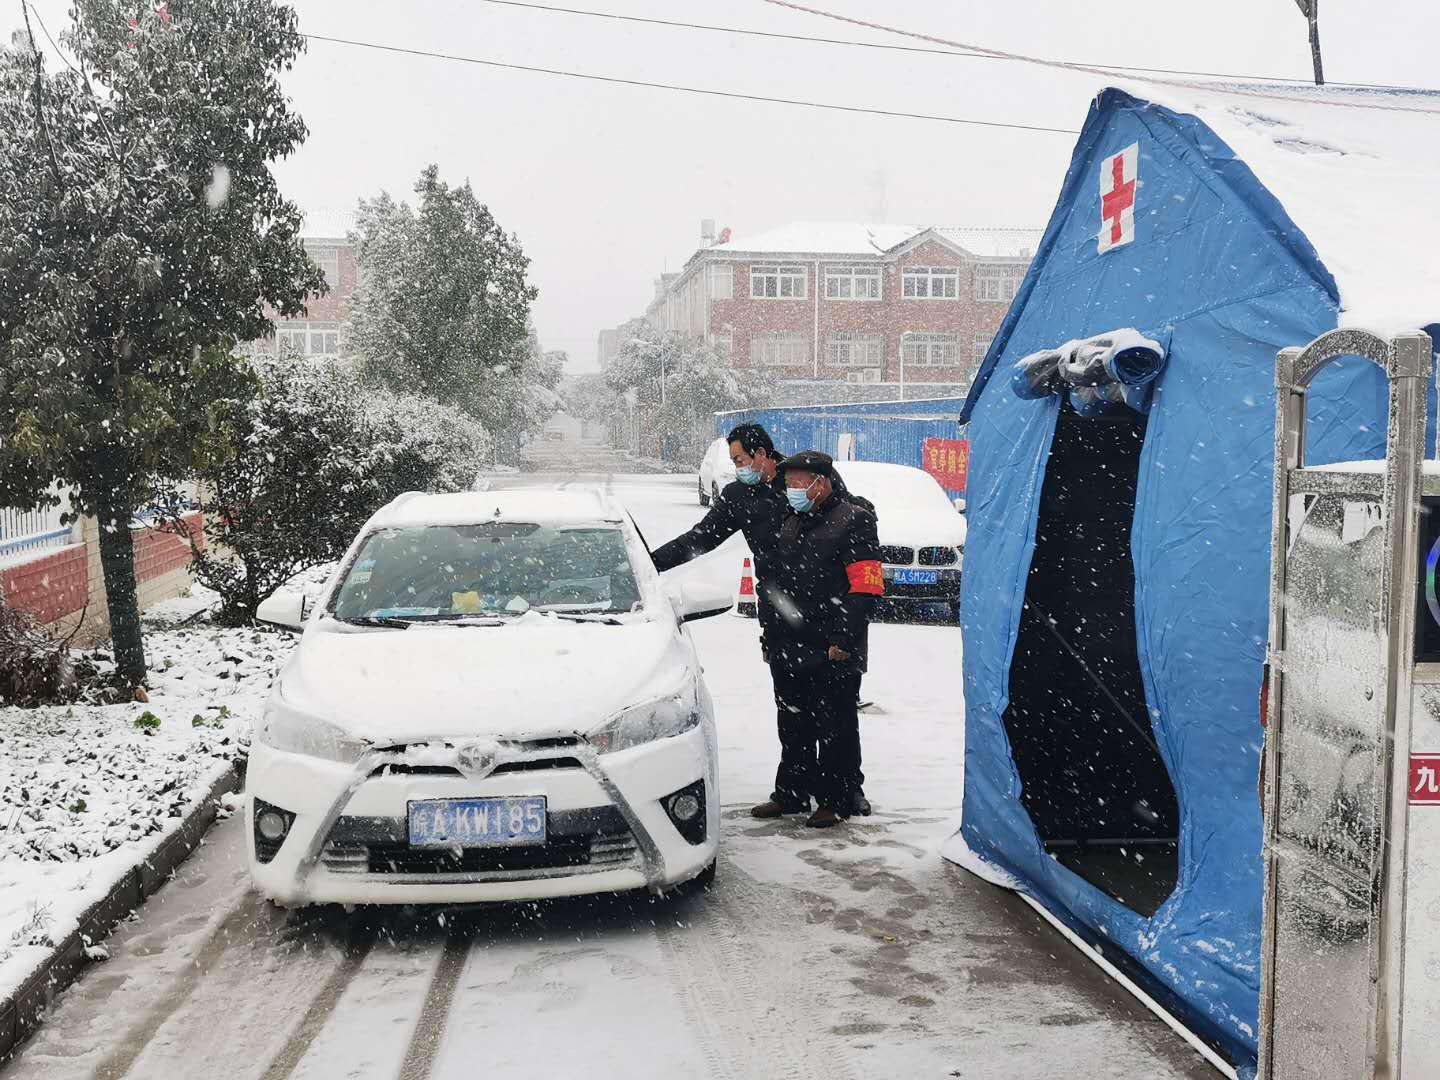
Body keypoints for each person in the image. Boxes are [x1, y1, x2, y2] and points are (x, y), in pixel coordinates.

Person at [754, 450, 882, 829]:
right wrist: (770, 633)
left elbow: (866, 587)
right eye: (789, 482)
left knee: (835, 725)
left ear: (821, 483)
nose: (791, 489)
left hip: (833, 647)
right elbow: (775, 586)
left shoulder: (854, 521)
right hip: (790, 645)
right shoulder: (792, 520)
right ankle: (791, 793)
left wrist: (844, 638)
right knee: (793, 722)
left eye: (797, 483)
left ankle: (835, 799)